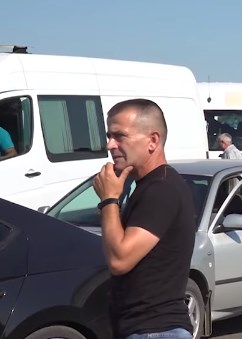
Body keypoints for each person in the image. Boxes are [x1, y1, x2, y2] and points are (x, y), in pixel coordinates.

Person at [92, 99, 195, 339]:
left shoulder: (162, 188)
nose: (110, 145)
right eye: (109, 135)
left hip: (155, 330)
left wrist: (109, 199)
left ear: (153, 141)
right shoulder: (149, 186)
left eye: (120, 136)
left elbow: (120, 259)